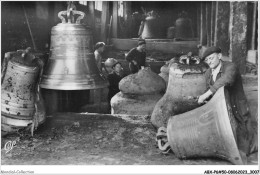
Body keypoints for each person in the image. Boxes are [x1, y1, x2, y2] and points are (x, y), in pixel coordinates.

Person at [198, 46, 258, 156]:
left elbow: (227, 80)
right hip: (222, 108)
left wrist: (206, 94)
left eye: (211, 58)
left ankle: (255, 143)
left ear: (219, 56)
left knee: (244, 145)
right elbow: (208, 92)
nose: (209, 62)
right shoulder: (208, 73)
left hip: (237, 107)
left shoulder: (230, 67)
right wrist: (204, 100)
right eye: (206, 60)